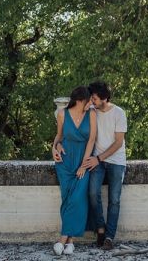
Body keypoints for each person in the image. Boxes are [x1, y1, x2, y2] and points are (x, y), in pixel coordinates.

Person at [81, 80, 127, 250]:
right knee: (93, 193)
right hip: (98, 160)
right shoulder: (92, 111)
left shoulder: (119, 113)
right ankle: (100, 229)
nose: (92, 101)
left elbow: (118, 142)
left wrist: (98, 159)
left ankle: (109, 237)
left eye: (94, 98)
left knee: (114, 200)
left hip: (116, 161)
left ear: (104, 98)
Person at [51, 85, 97, 256]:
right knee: (67, 199)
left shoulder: (91, 114)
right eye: (88, 101)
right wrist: (54, 148)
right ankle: (70, 242)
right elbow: (59, 137)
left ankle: (62, 240)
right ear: (79, 100)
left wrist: (84, 165)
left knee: (77, 199)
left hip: (82, 161)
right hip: (65, 163)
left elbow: (91, 140)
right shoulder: (62, 114)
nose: (91, 103)